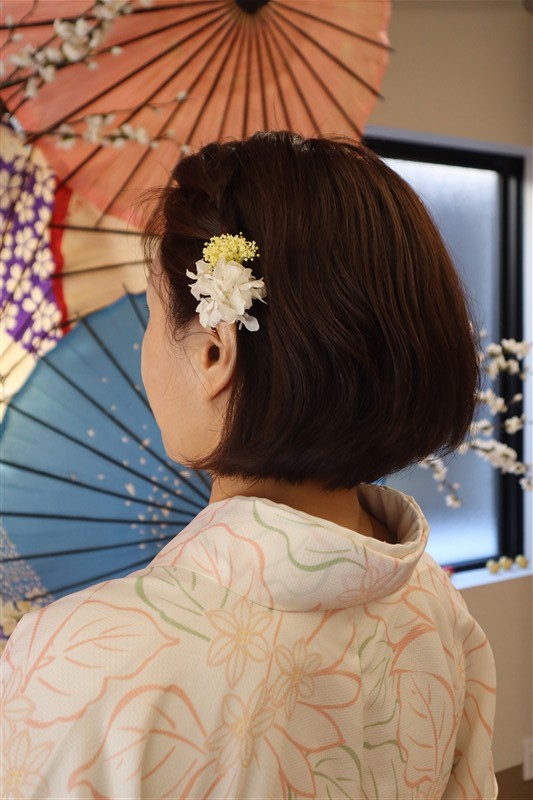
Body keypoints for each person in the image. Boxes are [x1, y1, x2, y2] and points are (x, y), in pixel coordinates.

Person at [1, 132, 496, 799]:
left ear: (215, 351)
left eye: (151, 313)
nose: (145, 344)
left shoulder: (77, 660)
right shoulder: (434, 610)